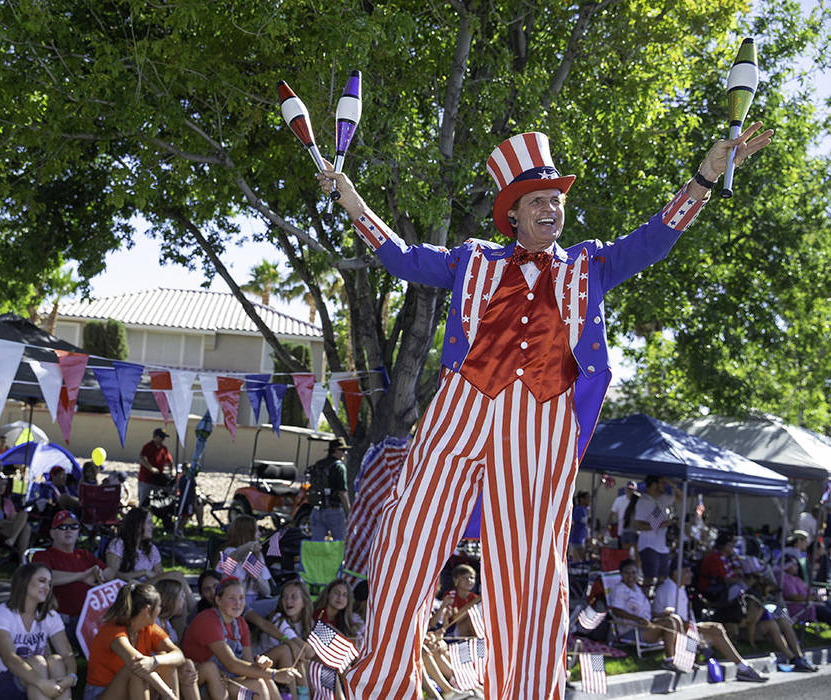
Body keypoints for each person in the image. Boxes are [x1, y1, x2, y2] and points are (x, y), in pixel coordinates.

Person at [317, 121, 774, 697]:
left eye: (556, 199)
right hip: (462, 408)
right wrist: (351, 198)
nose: (552, 208)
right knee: (406, 536)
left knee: (530, 572)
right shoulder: (473, 260)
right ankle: (381, 684)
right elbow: (404, 258)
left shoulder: (589, 265)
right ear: (513, 213)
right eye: (538, 200)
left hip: (543, 420)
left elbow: (655, 237)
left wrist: (705, 177)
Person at [182, 578, 299, 700]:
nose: (238, 603)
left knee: (264, 680)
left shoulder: (240, 623)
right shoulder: (208, 620)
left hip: (227, 681)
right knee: (257, 686)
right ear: (218, 600)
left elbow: (248, 663)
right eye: (232, 598)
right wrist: (275, 674)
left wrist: (261, 664)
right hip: (202, 684)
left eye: (241, 598)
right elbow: (232, 664)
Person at [653, 561, 767, 682]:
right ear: (676, 573)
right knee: (715, 630)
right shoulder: (669, 589)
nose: (691, 574)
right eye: (687, 571)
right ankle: (742, 667)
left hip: (683, 629)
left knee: (715, 629)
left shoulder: (679, 588)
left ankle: (741, 666)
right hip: (669, 631)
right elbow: (673, 620)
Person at [0, 563, 77, 700]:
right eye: (42, 581)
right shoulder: (1, 614)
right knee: (38, 662)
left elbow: (68, 655)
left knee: (56, 660)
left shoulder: (49, 616)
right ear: (24, 581)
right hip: (2, 681)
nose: (47, 588)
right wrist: (42, 683)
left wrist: (71, 677)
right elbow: (10, 659)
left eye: (49, 584)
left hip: (37, 675)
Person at [83, 583, 189, 700]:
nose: (160, 610)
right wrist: (168, 694)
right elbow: (136, 663)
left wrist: (155, 661)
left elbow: (179, 655)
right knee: (135, 671)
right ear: (147, 610)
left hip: (132, 688)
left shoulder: (149, 628)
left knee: (167, 663)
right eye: (159, 606)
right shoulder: (113, 631)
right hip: (99, 692)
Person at [31, 511, 116, 623]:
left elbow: (110, 573)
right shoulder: (43, 556)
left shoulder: (84, 555)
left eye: (74, 526)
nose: (68, 530)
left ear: (78, 531)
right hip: (61, 620)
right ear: (52, 533)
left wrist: (99, 573)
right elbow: (44, 578)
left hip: (92, 618)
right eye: (62, 526)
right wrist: (82, 576)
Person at [606, 560, 679, 669]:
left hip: (645, 626)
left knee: (675, 619)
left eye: (634, 573)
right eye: (627, 573)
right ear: (621, 575)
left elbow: (645, 613)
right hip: (632, 630)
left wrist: (661, 614)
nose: (631, 576)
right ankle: (669, 661)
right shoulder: (619, 590)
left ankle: (683, 657)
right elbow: (616, 611)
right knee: (669, 623)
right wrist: (638, 619)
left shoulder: (637, 589)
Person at [633, 475, 679, 586]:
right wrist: (664, 524)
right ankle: (645, 602)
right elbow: (638, 526)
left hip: (663, 547)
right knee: (649, 579)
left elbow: (681, 497)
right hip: (649, 546)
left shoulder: (663, 499)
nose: (665, 486)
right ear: (654, 485)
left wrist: (672, 484)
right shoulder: (643, 501)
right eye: (662, 483)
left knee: (663, 580)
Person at [216, 515, 272, 605]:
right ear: (247, 533)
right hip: (235, 601)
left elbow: (267, 591)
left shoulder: (257, 555)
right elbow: (225, 572)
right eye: (257, 530)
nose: (260, 534)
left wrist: (256, 577)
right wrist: (248, 547)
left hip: (255, 601)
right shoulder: (229, 552)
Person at [305, 438, 351, 542]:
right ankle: (337, 559)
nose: (345, 453)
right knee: (340, 544)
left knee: (316, 544)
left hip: (316, 510)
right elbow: (342, 493)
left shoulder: (319, 464)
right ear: (336, 450)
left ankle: (314, 559)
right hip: (334, 511)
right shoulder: (339, 467)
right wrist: (349, 512)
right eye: (343, 450)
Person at [429, 564, 479, 637]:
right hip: (451, 629)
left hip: (457, 629)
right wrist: (475, 602)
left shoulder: (474, 597)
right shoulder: (451, 594)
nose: (469, 580)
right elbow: (455, 618)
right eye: (465, 578)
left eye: (472, 578)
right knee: (468, 621)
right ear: (456, 580)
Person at [138, 428, 173, 506]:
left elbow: (170, 461)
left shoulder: (164, 449)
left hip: (158, 479)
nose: (163, 439)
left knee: (159, 499)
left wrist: (171, 471)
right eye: (161, 437)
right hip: (146, 479)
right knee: (143, 500)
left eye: (164, 437)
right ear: (155, 437)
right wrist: (151, 468)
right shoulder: (148, 446)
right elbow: (142, 458)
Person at [608, 480, 637, 546]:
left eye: (631, 489)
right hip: (621, 531)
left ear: (635, 490)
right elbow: (612, 513)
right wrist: (609, 525)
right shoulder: (619, 500)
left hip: (634, 531)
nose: (629, 491)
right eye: (628, 488)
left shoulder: (638, 501)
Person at [568, 491, 590, 562]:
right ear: (581, 499)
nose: (588, 500)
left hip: (582, 538)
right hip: (576, 539)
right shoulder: (578, 509)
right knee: (579, 560)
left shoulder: (585, 510)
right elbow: (573, 523)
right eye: (587, 498)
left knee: (583, 559)